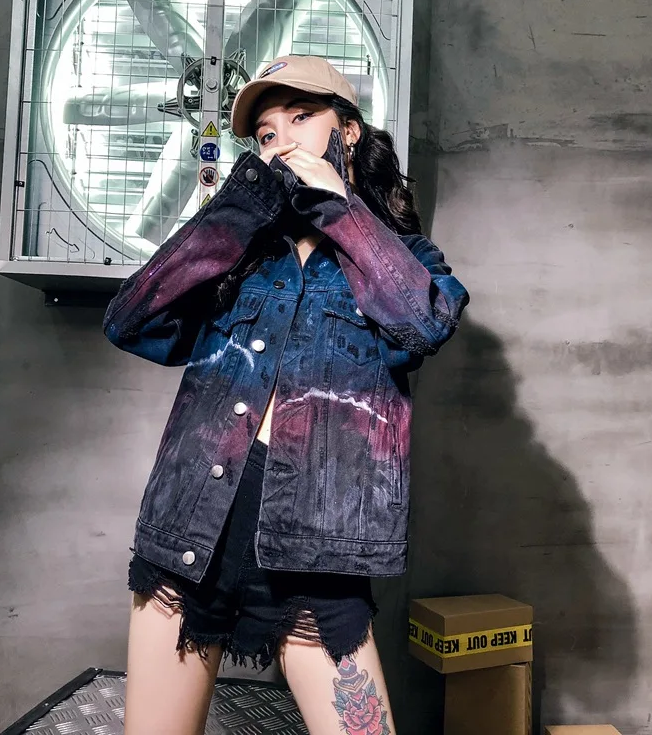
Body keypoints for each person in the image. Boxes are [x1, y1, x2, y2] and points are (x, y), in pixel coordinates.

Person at [102, 54, 470, 735]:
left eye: (302, 117)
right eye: (267, 133)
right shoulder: (239, 254)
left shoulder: (403, 257)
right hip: (193, 531)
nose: (283, 140)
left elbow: (423, 325)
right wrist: (240, 209)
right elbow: (131, 321)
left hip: (319, 549)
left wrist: (342, 210)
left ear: (348, 131)